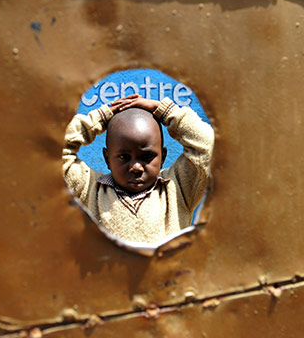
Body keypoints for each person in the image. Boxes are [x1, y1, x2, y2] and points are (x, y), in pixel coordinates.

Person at [63, 94, 214, 245]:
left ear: (163, 156)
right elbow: (54, 151)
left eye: (147, 156)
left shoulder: (178, 188)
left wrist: (166, 111)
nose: (136, 167)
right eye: (123, 157)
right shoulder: (89, 189)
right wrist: (96, 120)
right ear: (107, 159)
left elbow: (209, 146)